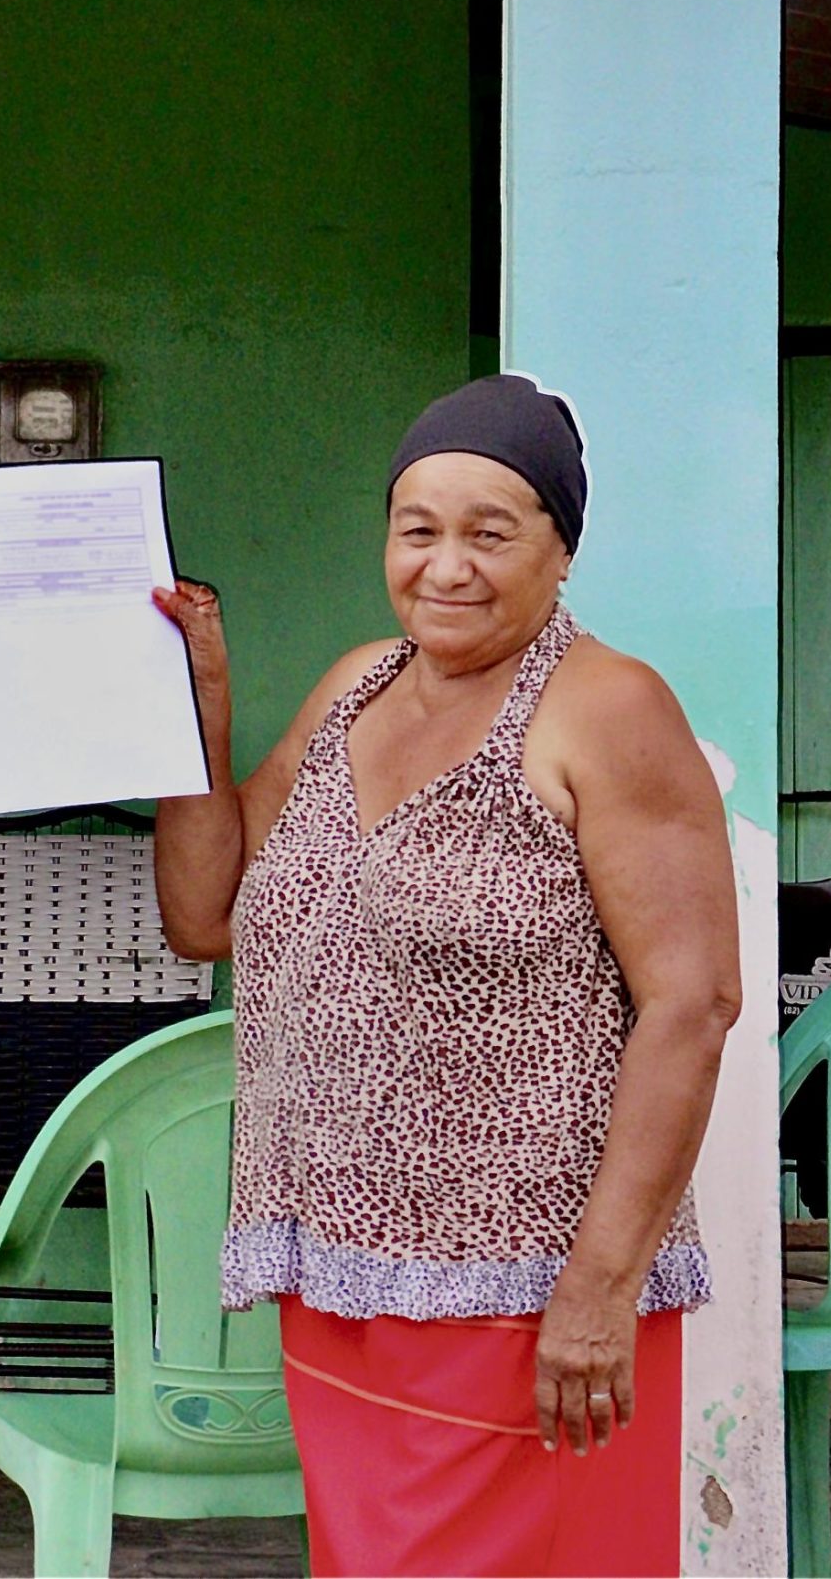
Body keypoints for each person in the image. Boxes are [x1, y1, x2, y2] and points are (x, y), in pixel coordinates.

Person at [151, 373, 739, 1577]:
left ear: (560, 550)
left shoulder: (605, 708)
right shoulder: (356, 686)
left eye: (492, 530)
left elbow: (693, 1003)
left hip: (527, 1292)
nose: (447, 565)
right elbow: (204, 911)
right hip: (344, 1275)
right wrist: (192, 703)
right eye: (418, 529)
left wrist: (597, 1290)